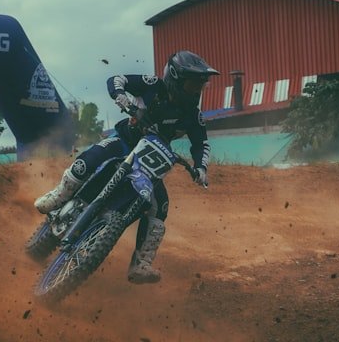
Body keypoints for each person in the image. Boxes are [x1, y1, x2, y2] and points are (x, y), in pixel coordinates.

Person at [33, 50, 220, 284]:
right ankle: (59, 196)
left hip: (149, 162)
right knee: (88, 161)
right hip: (124, 142)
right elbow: (116, 80)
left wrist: (201, 168)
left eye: (200, 86)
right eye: (193, 84)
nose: (196, 91)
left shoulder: (192, 115)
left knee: (160, 206)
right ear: (175, 78)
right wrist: (122, 98)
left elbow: (201, 143)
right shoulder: (153, 86)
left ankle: (141, 263)